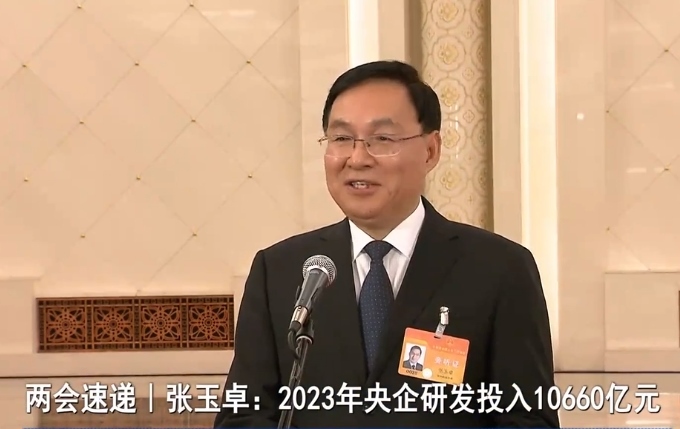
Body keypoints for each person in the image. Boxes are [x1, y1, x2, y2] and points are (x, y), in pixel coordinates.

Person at [214, 60, 559, 428]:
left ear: (430, 150)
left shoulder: (500, 270)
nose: (358, 158)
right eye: (341, 138)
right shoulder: (280, 271)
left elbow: (529, 420)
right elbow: (243, 416)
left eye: (382, 139)